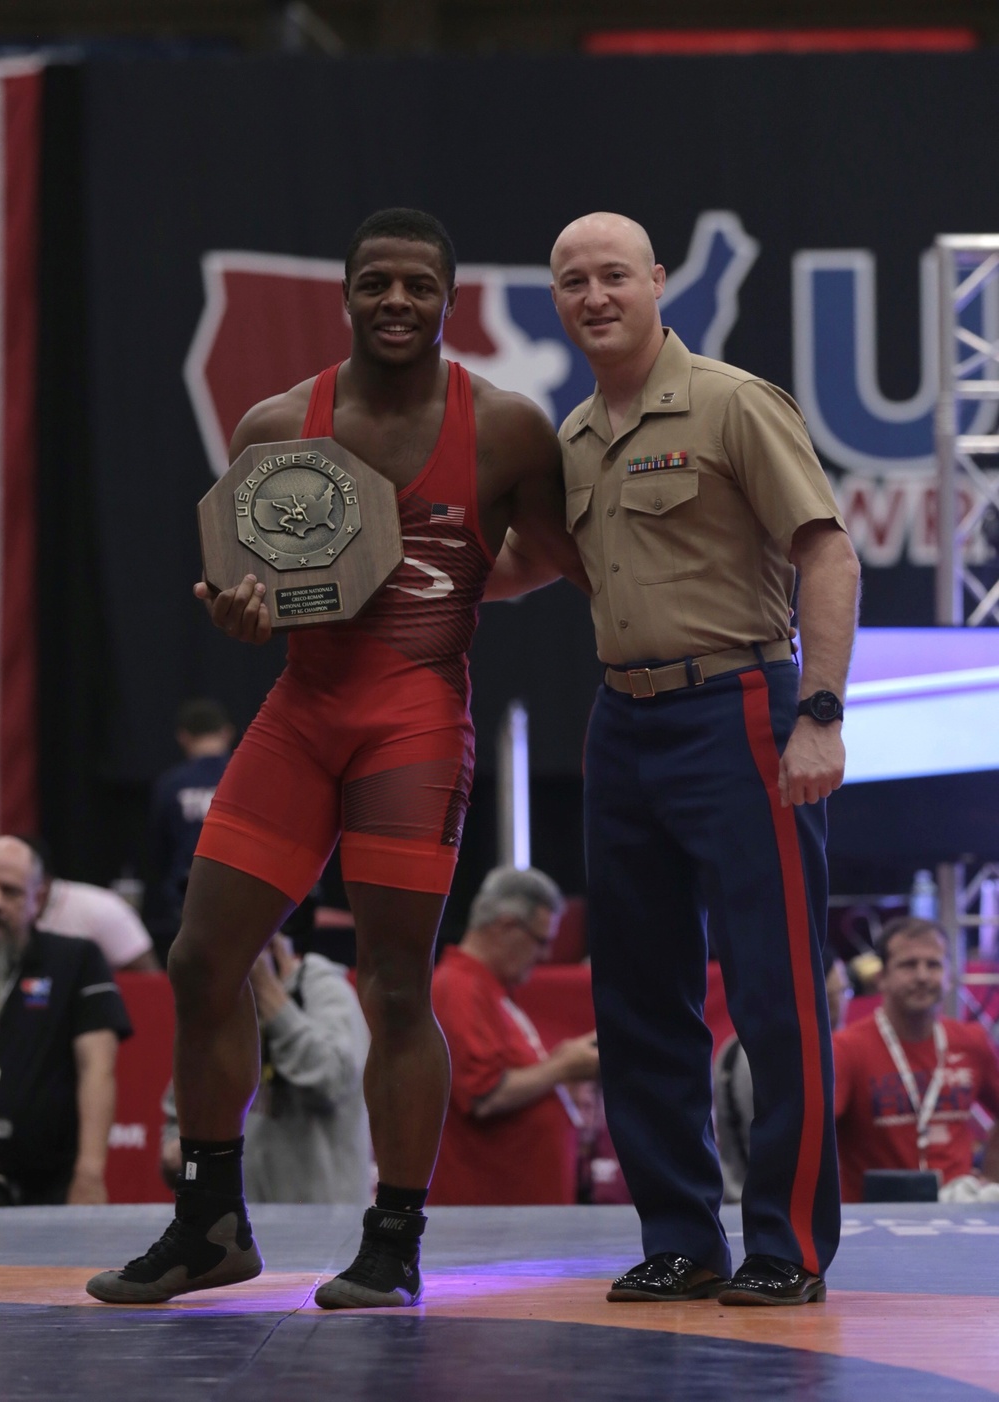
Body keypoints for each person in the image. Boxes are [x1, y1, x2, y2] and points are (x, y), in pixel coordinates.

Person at [86, 207, 585, 1311]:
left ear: (448, 301)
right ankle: (211, 1223)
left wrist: (460, 585)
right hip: (303, 707)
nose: (395, 302)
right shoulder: (276, 423)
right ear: (346, 295)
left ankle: (393, 1240)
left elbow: (560, 558)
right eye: (375, 284)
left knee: (395, 983)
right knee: (200, 962)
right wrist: (239, 614)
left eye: (417, 285)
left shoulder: (503, 427)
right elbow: (240, 580)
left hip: (412, 716)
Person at [489, 211, 860, 1306]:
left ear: (657, 282)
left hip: (741, 703)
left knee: (774, 986)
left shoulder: (733, 403)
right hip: (624, 722)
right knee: (636, 992)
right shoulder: (569, 438)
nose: (593, 295)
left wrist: (822, 713)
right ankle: (681, 1238)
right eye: (571, 281)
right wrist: (398, 567)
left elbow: (826, 552)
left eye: (612, 275)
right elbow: (526, 566)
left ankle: (786, 1247)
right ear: (555, 300)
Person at [428, 867, 599, 1205]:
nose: (546, 955)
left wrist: (563, 1060)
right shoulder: (459, 987)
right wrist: (562, 1068)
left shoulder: (486, 989)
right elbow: (484, 1095)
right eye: (542, 941)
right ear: (507, 927)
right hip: (492, 1224)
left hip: (511, 1221)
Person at [161, 932, 371, 1204]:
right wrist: (177, 1154)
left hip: (321, 1222)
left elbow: (330, 1080)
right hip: (239, 1227)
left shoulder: (324, 991)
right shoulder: (219, 1006)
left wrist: (267, 991)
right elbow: (179, 1119)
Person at [0, 835, 132, 1206]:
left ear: (36, 898)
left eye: (9, 892)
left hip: (47, 1187)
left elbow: (97, 1068)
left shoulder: (76, 961)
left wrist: (90, 1173)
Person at [834, 916, 999, 1202]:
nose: (922, 976)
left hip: (956, 1211)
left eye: (933, 965)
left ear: (948, 975)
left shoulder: (971, 1041)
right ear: (881, 977)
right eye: (909, 965)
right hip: (874, 1218)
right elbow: (815, 1137)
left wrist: (993, 1182)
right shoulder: (847, 1048)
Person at [714, 950, 853, 1204]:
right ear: (822, 995)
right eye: (841, 992)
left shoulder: (735, 1046)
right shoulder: (785, 1054)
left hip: (742, 1195)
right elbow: (775, 1144)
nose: (845, 1003)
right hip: (766, 1205)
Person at [146, 698, 235, 959]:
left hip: (187, 907)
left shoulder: (170, 785)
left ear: (183, 737)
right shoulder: (250, 779)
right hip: (245, 902)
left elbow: (158, 851)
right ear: (226, 732)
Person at [25, 837, 159, 973]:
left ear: (42, 882)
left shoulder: (101, 908)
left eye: (10, 889)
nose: (1, 901)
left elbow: (149, 981)